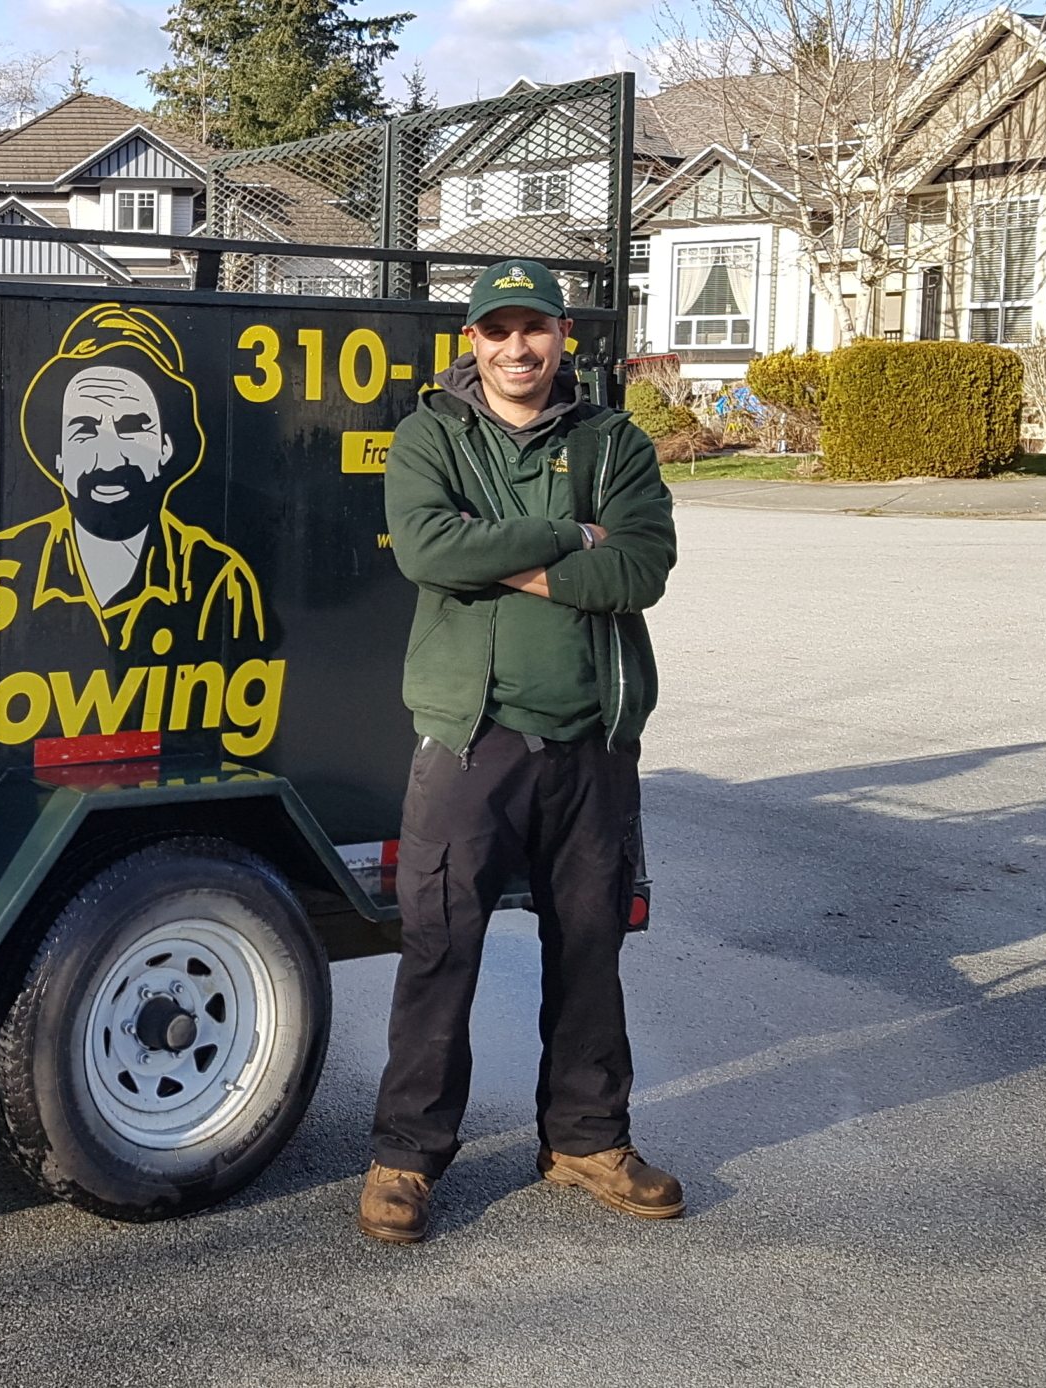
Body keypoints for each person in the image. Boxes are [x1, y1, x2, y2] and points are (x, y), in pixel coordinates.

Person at [357, 259, 680, 1244]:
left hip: (590, 741)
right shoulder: (429, 437)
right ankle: (404, 1157)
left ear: (561, 335)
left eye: (532, 327)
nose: (516, 348)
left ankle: (586, 1136)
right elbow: (426, 552)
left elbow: (641, 568)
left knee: (589, 946)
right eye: (495, 330)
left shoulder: (613, 440)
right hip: (469, 737)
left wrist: (496, 554)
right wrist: (564, 534)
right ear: (472, 343)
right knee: (440, 945)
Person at [0, 304, 263, 656]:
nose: (110, 459)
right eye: (84, 430)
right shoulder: (1, 567)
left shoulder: (216, 578)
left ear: (166, 447)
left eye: (132, 428)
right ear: (58, 457)